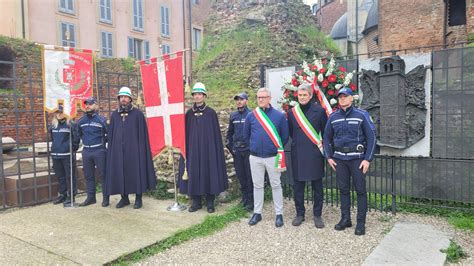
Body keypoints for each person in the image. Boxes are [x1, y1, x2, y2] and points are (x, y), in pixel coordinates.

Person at [323, 87, 376, 236]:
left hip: (357, 160)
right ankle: (345, 219)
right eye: (340, 97)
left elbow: (372, 137)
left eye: (345, 96)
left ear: (352, 98)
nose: (342, 99)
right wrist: (329, 157)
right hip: (340, 160)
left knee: (360, 191)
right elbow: (326, 138)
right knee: (343, 190)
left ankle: (360, 223)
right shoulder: (333, 117)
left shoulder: (362, 115)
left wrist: (367, 159)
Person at [179, 82, 228, 213]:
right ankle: (196, 202)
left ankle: (210, 202)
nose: (197, 97)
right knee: (194, 172)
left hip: (208, 150)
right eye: (195, 94)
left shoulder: (211, 113)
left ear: (204, 96)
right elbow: (185, 134)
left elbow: (215, 135)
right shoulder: (189, 114)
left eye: (200, 94)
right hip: (193, 150)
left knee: (209, 172)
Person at [244, 87, 289, 227]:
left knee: (276, 185)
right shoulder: (251, 116)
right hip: (255, 157)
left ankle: (279, 214)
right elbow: (246, 135)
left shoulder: (279, 116)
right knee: (257, 186)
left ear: (269, 98)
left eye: (264, 97)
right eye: (259, 97)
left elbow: (285, 137)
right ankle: (257, 213)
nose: (261, 99)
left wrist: (273, 148)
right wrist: (253, 146)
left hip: (272, 157)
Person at [105, 87, 157, 209]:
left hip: (134, 151)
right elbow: (111, 135)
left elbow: (143, 135)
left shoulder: (137, 114)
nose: (123, 99)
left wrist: (140, 150)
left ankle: (138, 199)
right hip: (118, 151)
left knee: (136, 173)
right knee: (121, 173)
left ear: (130, 99)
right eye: (121, 97)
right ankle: (124, 198)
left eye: (125, 97)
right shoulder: (115, 115)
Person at [287, 83, 327, 228]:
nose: (302, 97)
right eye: (300, 95)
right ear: (297, 96)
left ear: (310, 96)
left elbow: (325, 132)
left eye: (305, 95)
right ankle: (300, 214)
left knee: (317, 187)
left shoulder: (320, 111)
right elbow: (291, 132)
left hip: (315, 154)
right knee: (298, 187)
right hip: (298, 153)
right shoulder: (292, 113)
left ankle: (317, 215)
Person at [76, 97, 109, 207]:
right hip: (86, 151)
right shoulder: (81, 121)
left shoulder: (102, 120)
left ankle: (106, 198)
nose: (87, 106)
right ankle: (91, 198)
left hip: (99, 150)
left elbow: (109, 134)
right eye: (86, 104)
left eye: (90, 104)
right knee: (88, 176)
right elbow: (79, 134)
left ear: (96, 105)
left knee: (103, 175)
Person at [226, 92, 253, 211]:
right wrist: (232, 148)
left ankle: (251, 201)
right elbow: (229, 134)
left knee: (249, 176)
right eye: (237, 99)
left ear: (246, 101)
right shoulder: (233, 116)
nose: (239, 101)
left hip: (248, 151)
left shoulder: (252, 114)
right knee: (241, 176)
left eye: (241, 99)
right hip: (237, 151)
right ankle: (244, 198)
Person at [49, 104, 80, 206]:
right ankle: (62, 194)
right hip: (56, 155)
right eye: (57, 112)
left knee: (70, 176)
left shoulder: (71, 124)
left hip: (67, 155)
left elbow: (76, 139)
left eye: (61, 112)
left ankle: (71, 196)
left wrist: (71, 149)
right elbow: (52, 138)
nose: (58, 114)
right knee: (60, 176)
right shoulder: (52, 125)